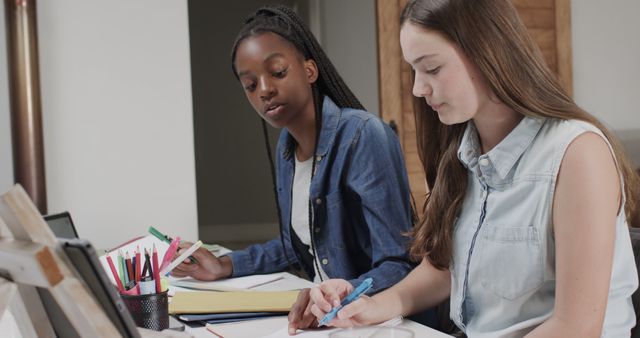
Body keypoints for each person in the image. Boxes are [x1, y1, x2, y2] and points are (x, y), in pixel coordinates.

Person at [306, 0, 640, 337]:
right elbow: (447, 270)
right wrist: (371, 306)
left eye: (432, 69)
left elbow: (577, 328)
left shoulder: (578, 154)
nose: (418, 89)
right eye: (414, 70)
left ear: (488, 53)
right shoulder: (462, 152)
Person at [170, 4, 415, 334]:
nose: (265, 90)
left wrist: (331, 297)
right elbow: (296, 245)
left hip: (379, 321)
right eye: (250, 84)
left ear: (310, 70)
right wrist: (224, 266)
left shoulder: (363, 137)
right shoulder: (287, 149)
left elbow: (398, 264)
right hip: (332, 321)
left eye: (278, 72)